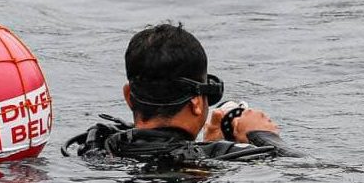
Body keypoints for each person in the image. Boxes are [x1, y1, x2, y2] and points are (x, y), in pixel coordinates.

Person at [63, 23, 302, 167]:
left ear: (129, 95)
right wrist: (264, 137)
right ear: (197, 102)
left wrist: (210, 143)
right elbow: (308, 169)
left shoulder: (99, 144)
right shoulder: (219, 159)